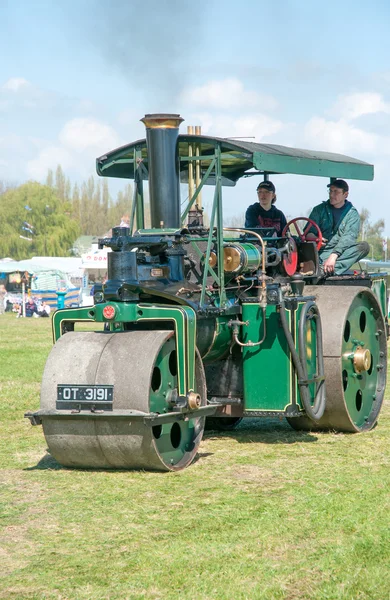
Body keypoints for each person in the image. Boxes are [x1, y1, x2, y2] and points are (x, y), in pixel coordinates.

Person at [307, 179, 369, 276]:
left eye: (336, 192)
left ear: (346, 194)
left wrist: (334, 256)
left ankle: (326, 270)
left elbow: (348, 238)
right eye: (330, 191)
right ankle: (317, 267)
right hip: (319, 252)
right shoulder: (318, 210)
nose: (332, 195)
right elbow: (308, 232)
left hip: (340, 254)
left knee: (364, 247)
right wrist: (315, 238)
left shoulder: (352, 215)